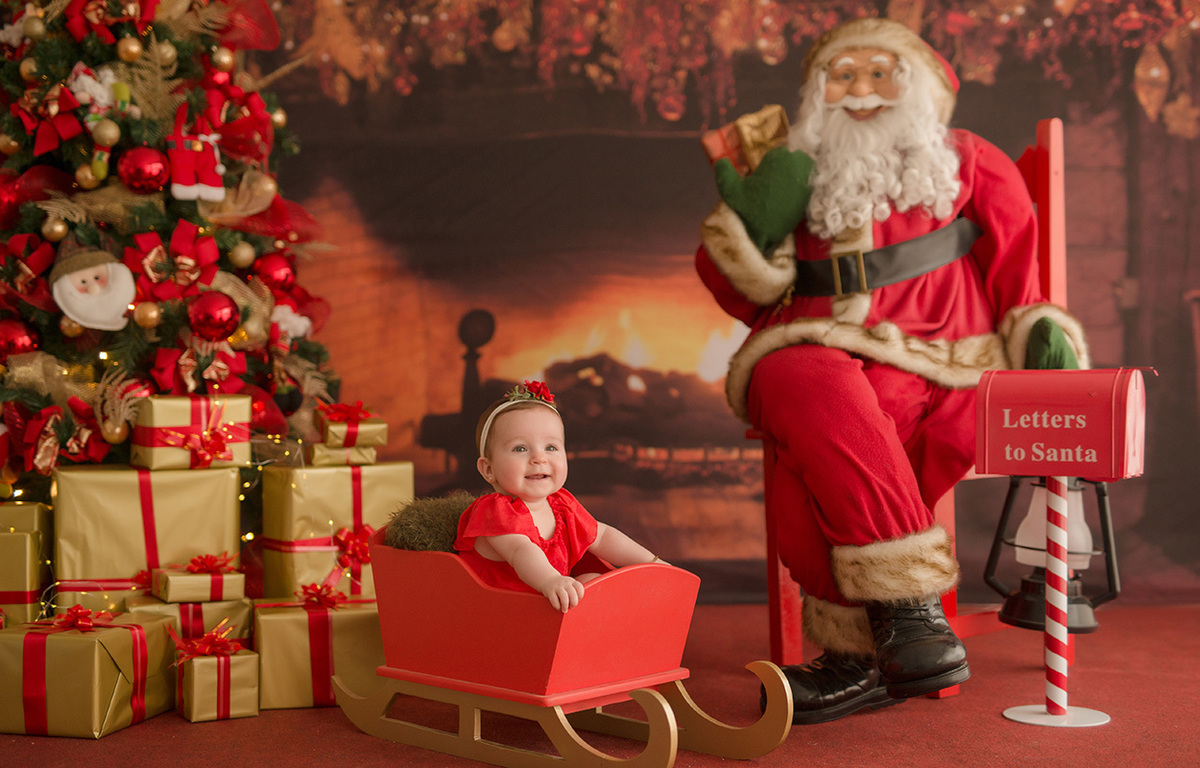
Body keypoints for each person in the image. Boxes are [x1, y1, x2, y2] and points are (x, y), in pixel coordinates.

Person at [695, 17, 1089, 723]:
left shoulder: (967, 158)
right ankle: (910, 617)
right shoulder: (799, 166)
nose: (862, 90)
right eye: (842, 75)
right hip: (813, 345)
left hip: (934, 356)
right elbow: (741, 291)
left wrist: (1042, 343)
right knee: (795, 377)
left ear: (921, 86)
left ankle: (855, 657)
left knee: (812, 448)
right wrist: (745, 221)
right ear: (818, 94)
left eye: (881, 73)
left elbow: (1017, 275)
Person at [454, 380, 664, 612]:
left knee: (592, 581)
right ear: (488, 469)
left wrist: (652, 563)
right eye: (520, 448)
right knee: (581, 587)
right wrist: (549, 581)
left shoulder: (561, 504)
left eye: (551, 448)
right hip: (502, 613)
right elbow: (520, 550)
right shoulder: (495, 510)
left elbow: (602, 536)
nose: (539, 458)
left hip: (548, 606)